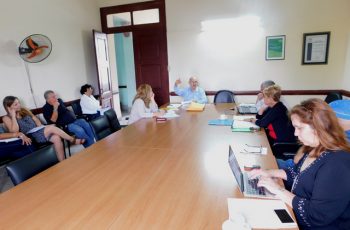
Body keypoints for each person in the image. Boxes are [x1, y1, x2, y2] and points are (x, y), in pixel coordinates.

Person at [249, 98, 350, 229]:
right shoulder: (316, 147)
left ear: (319, 127)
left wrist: (278, 190)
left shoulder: (337, 163)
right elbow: (296, 173)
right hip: (296, 215)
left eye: (299, 128)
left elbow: (315, 216)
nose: (295, 133)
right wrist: (268, 172)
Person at [2, 96, 85, 161]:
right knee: (52, 128)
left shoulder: (24, 110)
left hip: (38, 131)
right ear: (9, 107)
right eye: (15, 104)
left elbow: (36, 120)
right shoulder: (6, 118)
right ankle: (72, 140)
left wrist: (40, 127)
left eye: (18, 103)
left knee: (56, 138)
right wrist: (13, 116)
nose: (19, 105)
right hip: (29, 136)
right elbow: (15, 131)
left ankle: (62, 162)